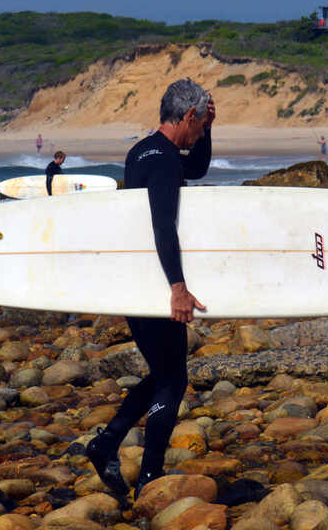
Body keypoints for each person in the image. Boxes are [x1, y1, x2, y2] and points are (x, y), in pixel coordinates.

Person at [84, 79, 214, 502]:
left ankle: (106, 445)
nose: (197, 135)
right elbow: (163, 225)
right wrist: (178, 287)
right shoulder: (164, 163)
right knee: (173, 380)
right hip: (156, 284)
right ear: (188, 115)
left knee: (164, 375)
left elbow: (194, 169)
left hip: (134, 282)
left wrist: (208, 131)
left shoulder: (144, 151)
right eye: (198, 124)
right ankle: (150, 474)